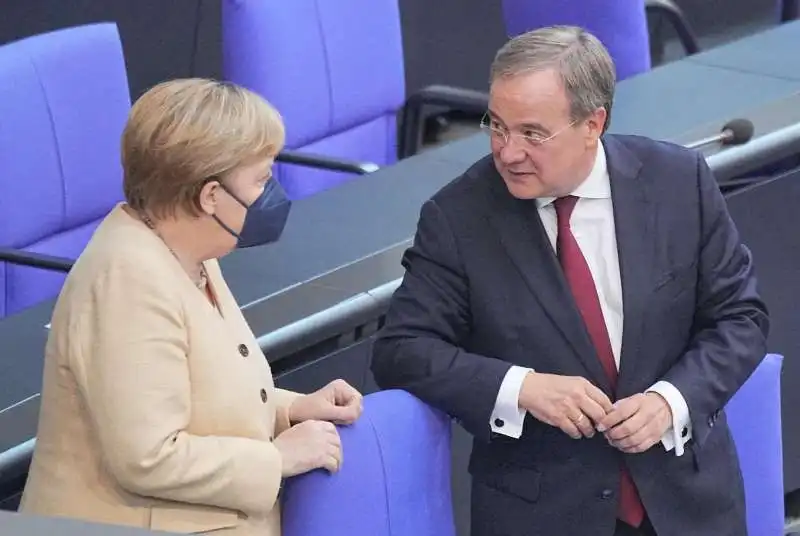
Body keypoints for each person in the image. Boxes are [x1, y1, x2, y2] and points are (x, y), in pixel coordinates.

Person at [371, 26, 768, 536]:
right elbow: (400, 349)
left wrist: (671, 400)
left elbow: (741, 317)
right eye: (496, 126)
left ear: (592, 124)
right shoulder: (458, 219)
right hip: (544, 514)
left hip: (686, 508)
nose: (508, 152)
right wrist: (521, 387)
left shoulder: (677, 182)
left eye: (533, 133)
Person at [20, 78, 363, 536]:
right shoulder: (129, 283)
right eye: (261, 179)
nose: (272, 193)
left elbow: (201, 396)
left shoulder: (189, 250)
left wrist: (293, 409)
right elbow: (149, 456)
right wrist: (278, 458)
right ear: (210, 197)